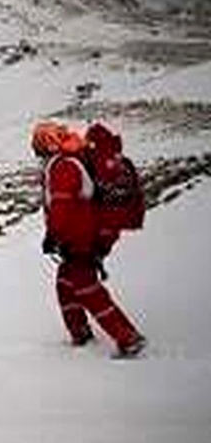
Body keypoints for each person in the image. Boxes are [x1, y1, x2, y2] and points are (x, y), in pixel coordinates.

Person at [32, 122, 147, 358]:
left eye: (38, 145)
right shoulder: (73, 161)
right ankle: (80, 333)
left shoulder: (64, 166)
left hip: (81, 237)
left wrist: (53, 236)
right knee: (66, 282)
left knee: (85, 287)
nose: (37, 152)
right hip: (88, 234)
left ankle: (127, 337)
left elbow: (62, 206)